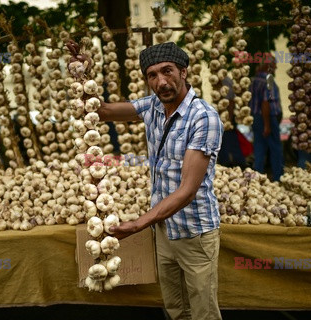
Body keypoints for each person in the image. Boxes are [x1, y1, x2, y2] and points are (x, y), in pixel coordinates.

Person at [95, 42, 223, 320]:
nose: (161, 81)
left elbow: (188, 191)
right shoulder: (154, 105)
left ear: (183, 72)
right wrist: (81, 73)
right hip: (164, 228)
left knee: (203, 312)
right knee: (176, 307)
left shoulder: (203, 117)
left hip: (194, 231)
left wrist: (139, 225)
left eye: (167, 71)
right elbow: (102, 112)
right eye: (152, 75)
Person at [248, 56, 284, 181]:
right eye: (274, 65)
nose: (276, 68)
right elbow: (265, 103)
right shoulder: (268, 80)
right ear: (268, 67)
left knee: (259, 148)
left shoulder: (253, 80)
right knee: (275, 148)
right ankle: (278, 177)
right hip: (267, 118)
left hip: (255, 118)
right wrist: (267, 124)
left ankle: (257, 177)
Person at [217, 76, 247, 168]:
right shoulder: (220, 80)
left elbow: (231, 101)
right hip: (224, 118)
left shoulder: (225, 81)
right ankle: (229, 163)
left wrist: (228, 120)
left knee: (229, 141)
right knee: (225, 142)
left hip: (227, 119)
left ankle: (235, 164)